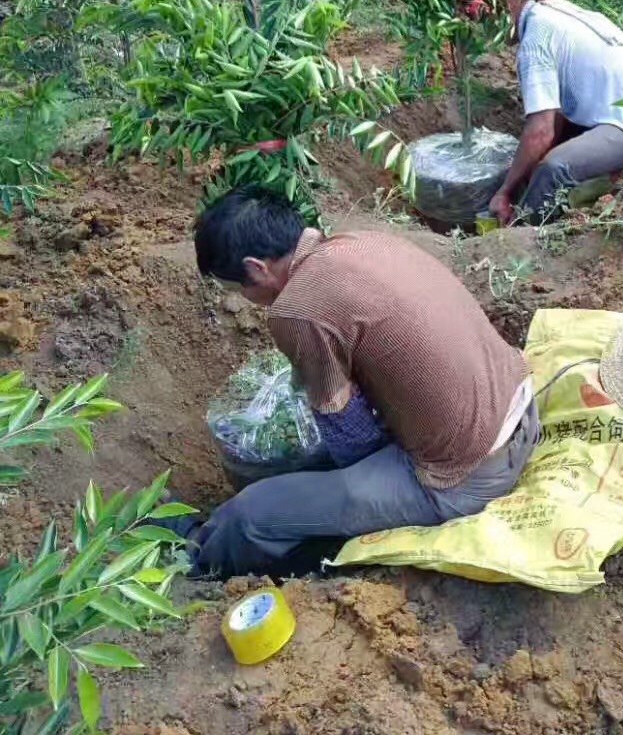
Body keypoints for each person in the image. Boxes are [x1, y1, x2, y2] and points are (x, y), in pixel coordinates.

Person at [176, 186, 537, 577]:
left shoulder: (296, 309)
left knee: (253, 512)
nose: (244, 298)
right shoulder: (363, 243)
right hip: (519, 413)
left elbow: (350, 434)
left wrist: (331, 482)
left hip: (467, 476)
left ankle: (193, 558)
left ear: (257, 268)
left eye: (237, 288)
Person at [486, 0, 623, 225]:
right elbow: (555, 113)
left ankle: (521, 234)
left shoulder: (535, 40)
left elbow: (540, 132)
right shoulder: (556, 12)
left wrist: (505, 191)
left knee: (553, 169)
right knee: (537, 156)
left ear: (506, 7)